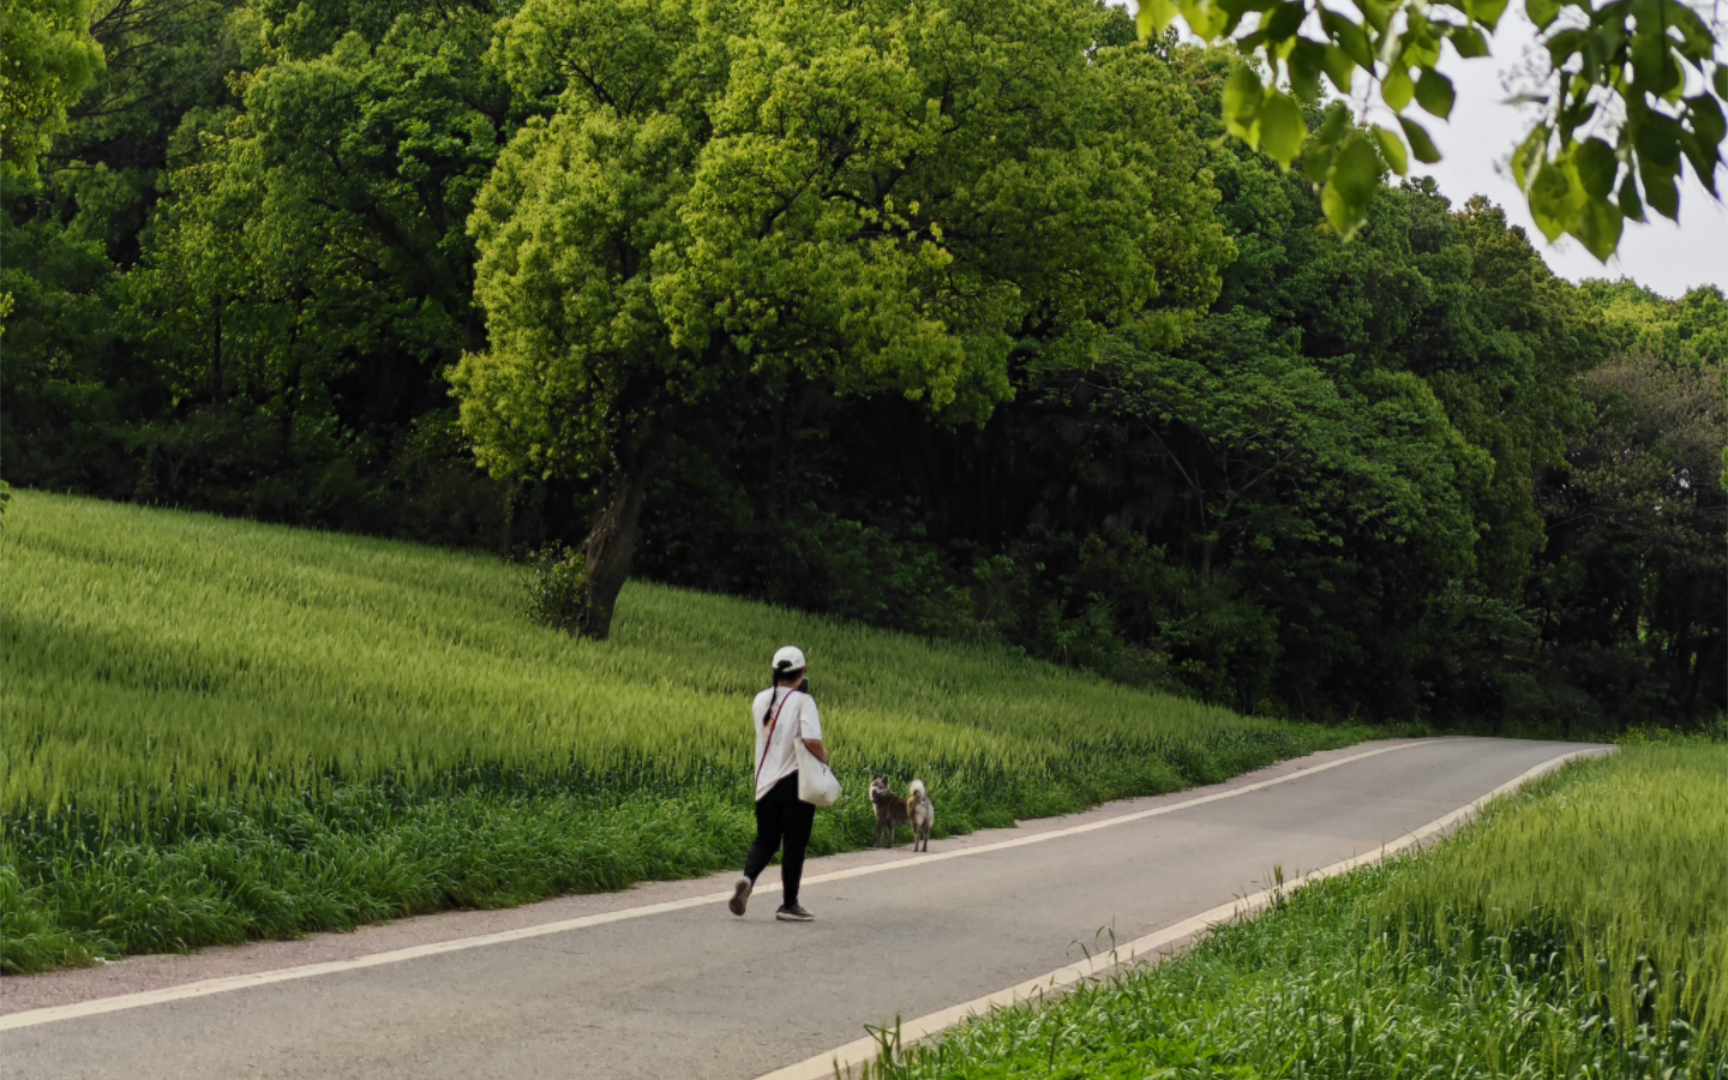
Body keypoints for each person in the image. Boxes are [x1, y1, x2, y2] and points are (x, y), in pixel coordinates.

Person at [729, 645, 829, 922]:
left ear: (774, 672)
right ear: (803, 672)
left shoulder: (760, 700)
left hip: (764, 784)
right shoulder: (803, 702)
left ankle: (748, 878)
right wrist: (825, 756)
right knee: (794, 844)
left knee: (766, 840)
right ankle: (789, 904)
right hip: (795, 783)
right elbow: (810, 740)